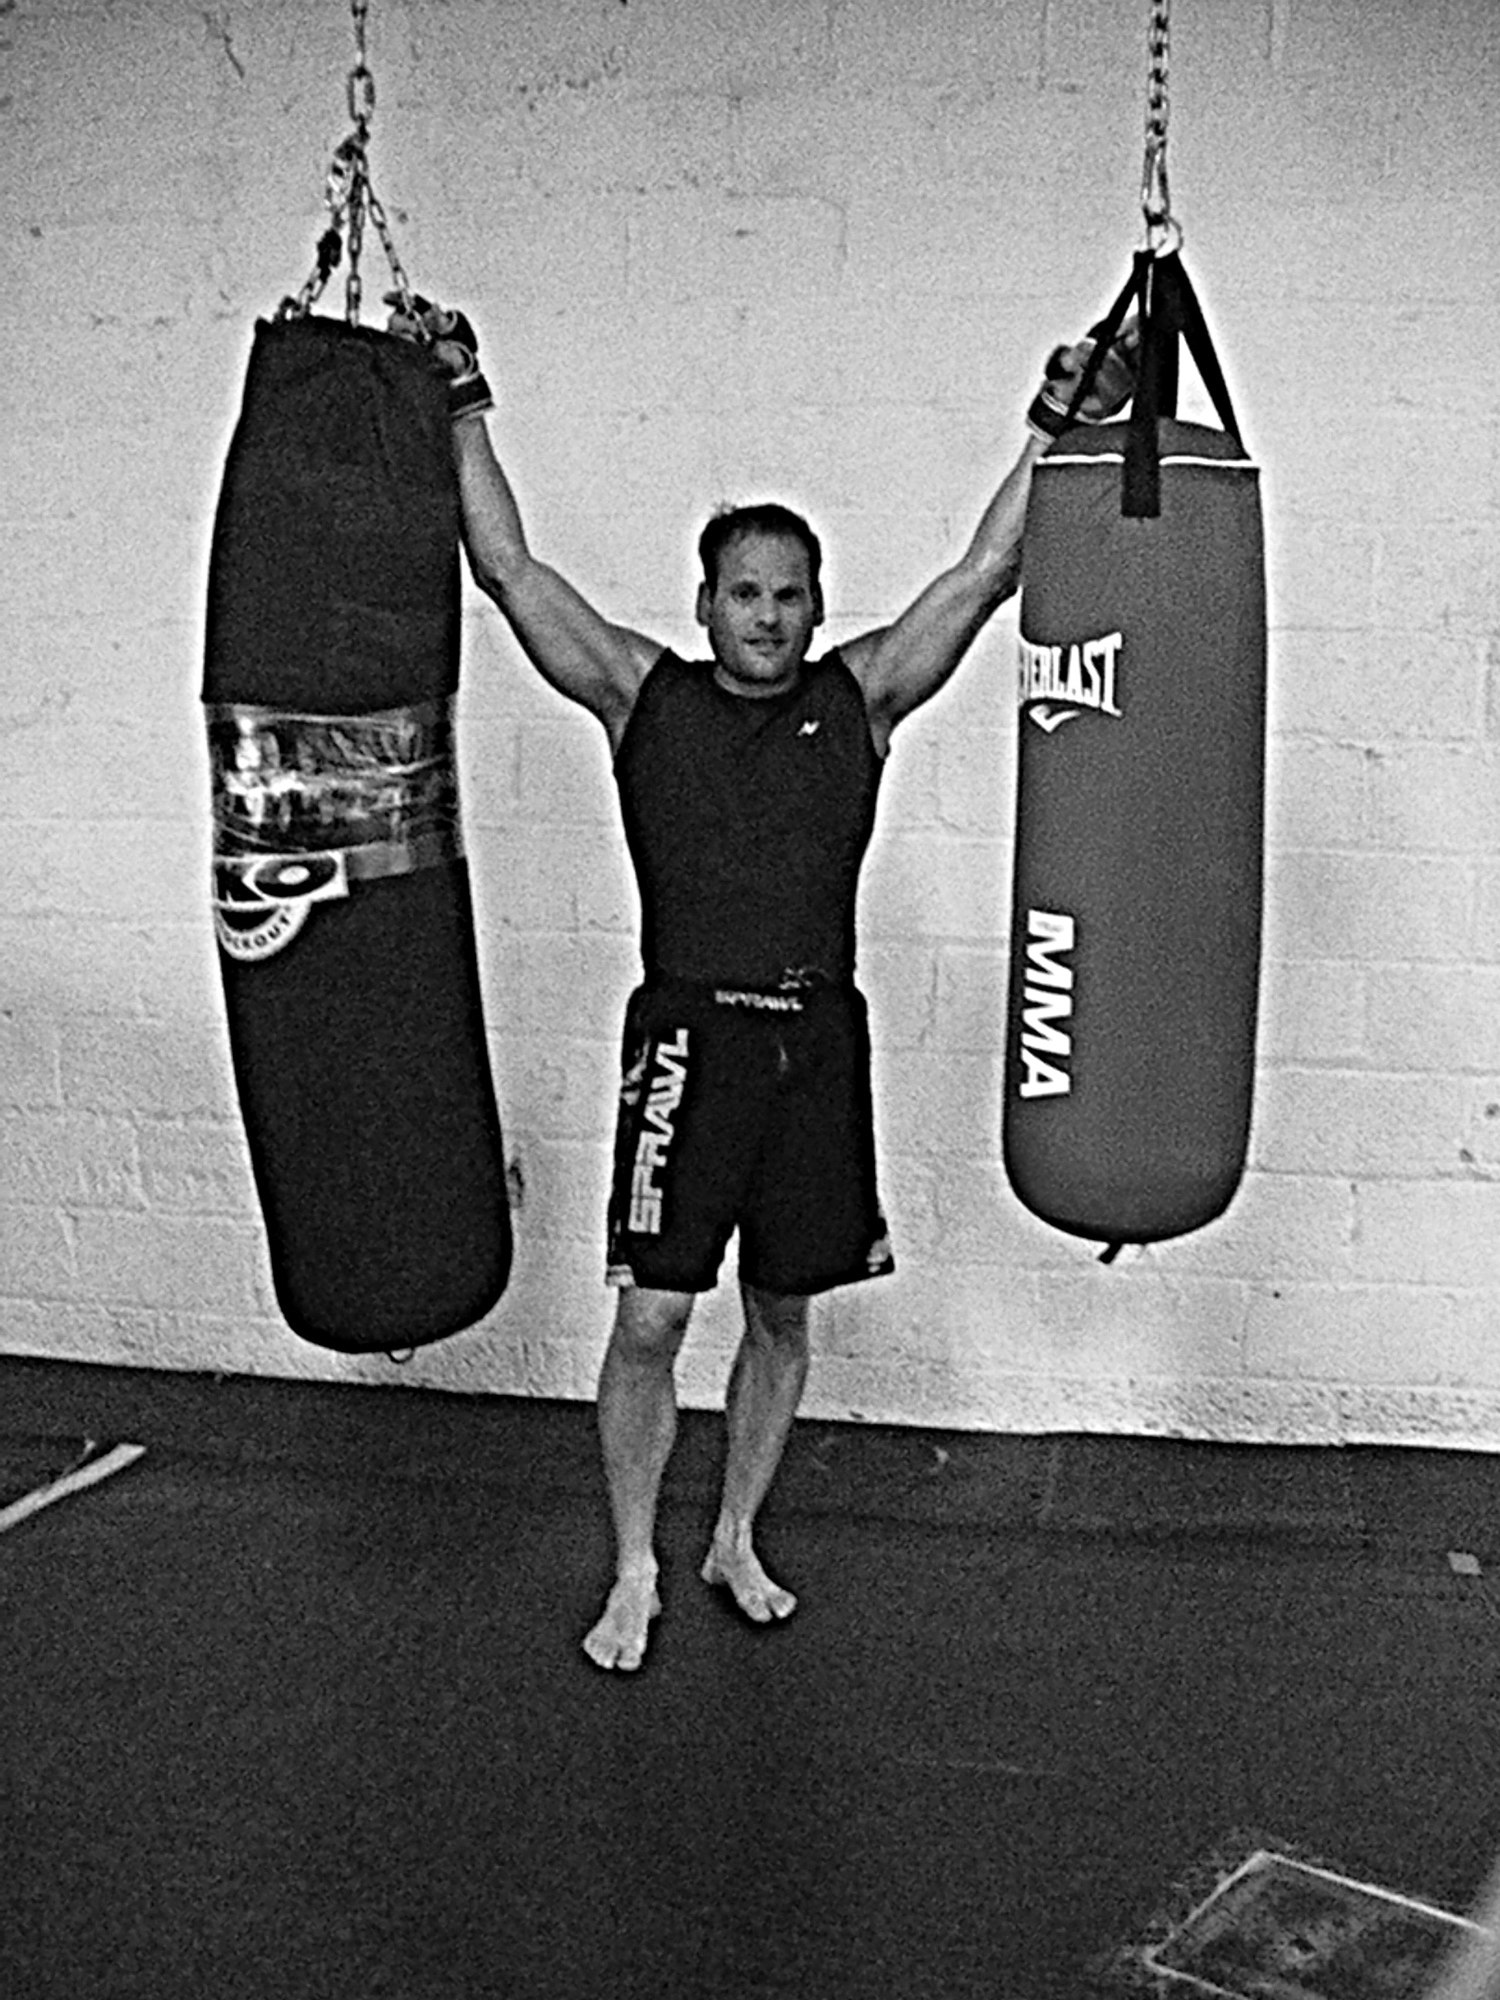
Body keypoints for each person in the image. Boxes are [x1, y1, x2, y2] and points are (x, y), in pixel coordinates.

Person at [390, 293, 1137, 1671]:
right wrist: (462, 399)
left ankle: (734, 1535)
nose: (771, 618)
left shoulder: (859, 700)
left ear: (814, 607)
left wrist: (1061, 420)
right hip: (689, 1039)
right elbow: (507, 569)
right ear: (706, 604)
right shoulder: (644, 698)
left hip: (818, 1041)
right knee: (654, 1316)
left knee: (783, 1312)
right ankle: (634, 1566)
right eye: (747, 593)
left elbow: (985, 573)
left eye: (792, 596)